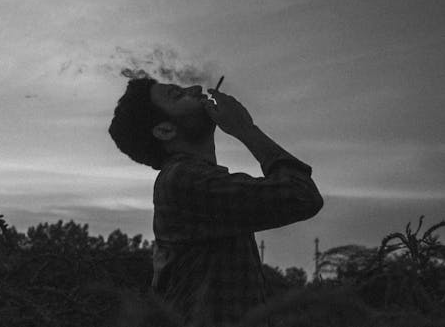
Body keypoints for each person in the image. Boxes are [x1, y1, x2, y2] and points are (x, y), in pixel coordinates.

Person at [109, 78, 323, 326]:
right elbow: (302, 194)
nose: (197, 89)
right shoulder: (184, 180)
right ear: (165, 130)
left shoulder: (194, 179)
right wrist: (245, 129)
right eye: (176, 94)